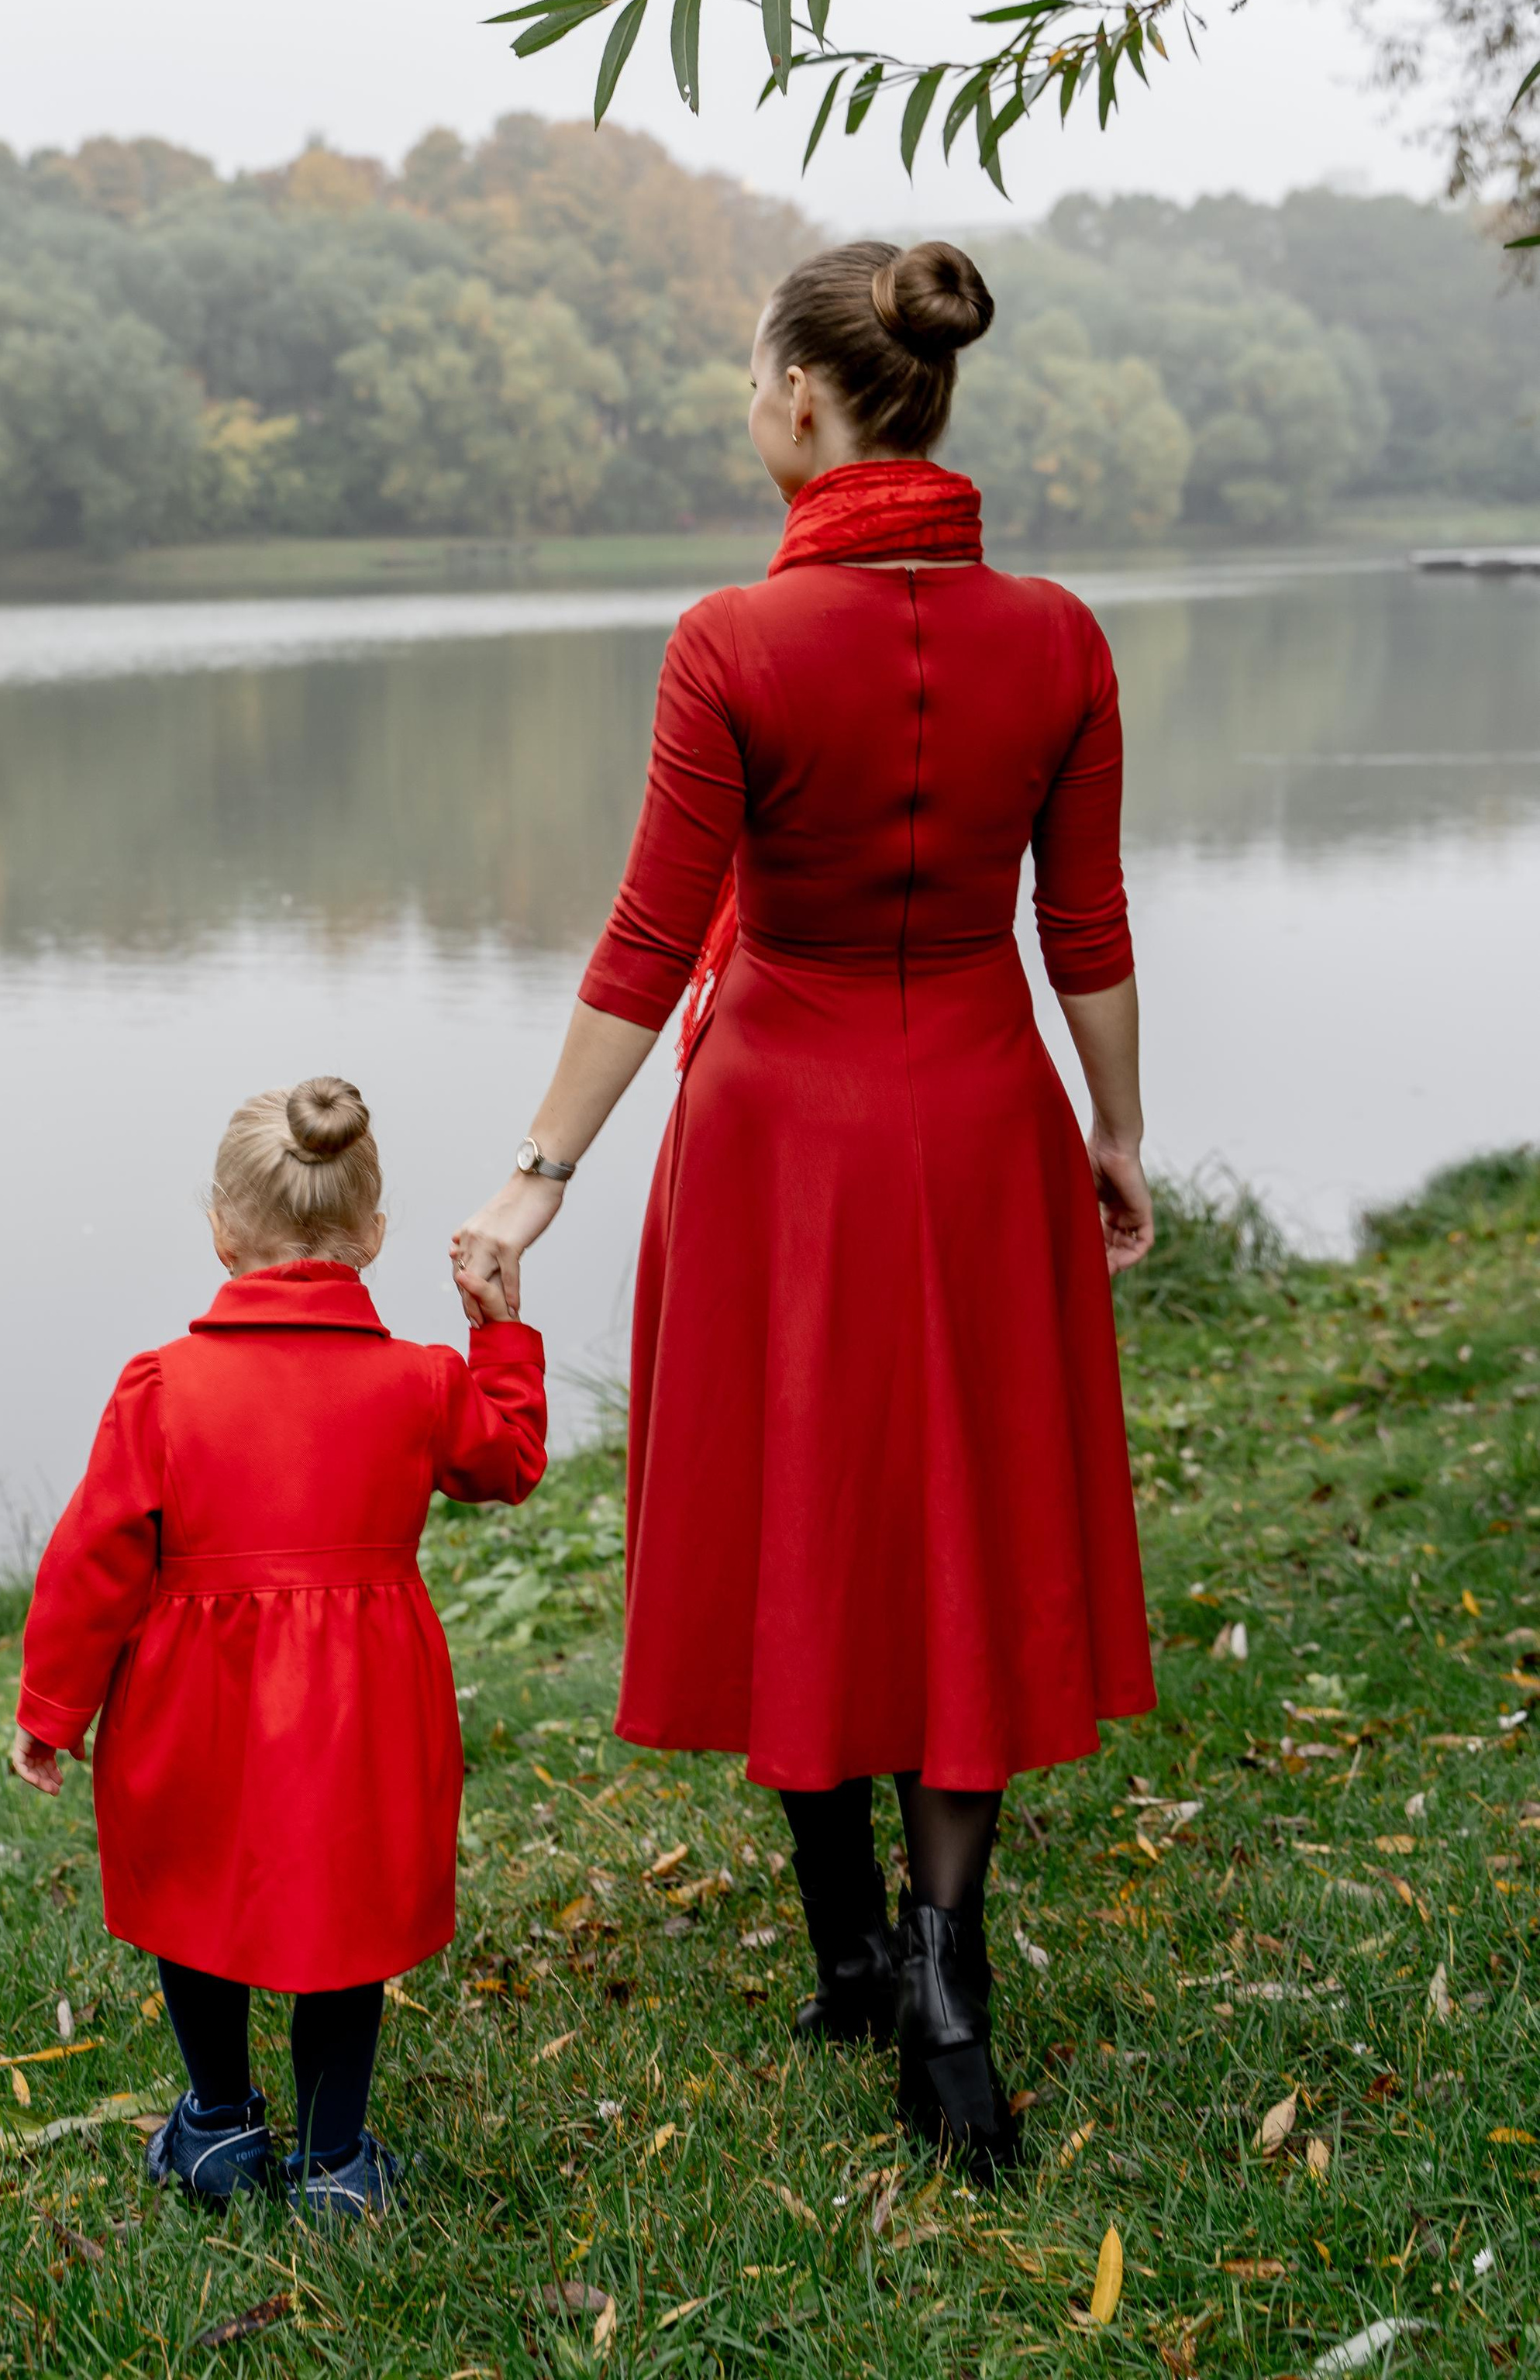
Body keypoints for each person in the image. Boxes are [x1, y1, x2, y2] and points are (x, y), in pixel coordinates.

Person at [450, 239, 1156, 2178]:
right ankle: (938, 1993)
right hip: (978, 1117)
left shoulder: (730, 645)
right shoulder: (1060, 638)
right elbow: (1077, 927)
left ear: (796, 401)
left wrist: (536, 1175)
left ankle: (845, 1945)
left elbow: (645, 937)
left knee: (808, 1495)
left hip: (777, 1126)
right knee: (959, 1508)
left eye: (746, 370)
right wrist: (1113, 1129)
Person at [12, 1075, 546, 2218]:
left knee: (199, 1896)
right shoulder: (418, 1382)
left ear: (219, 1229)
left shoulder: (161, 1387)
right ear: (376, 1236)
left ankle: (216, 2127)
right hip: (365, 1702)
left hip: (190, 1700)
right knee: (346, 1922)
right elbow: (508, 1462)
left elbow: (92, 1560)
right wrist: (498, 1327)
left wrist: (52, 1710)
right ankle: (339, 2163)